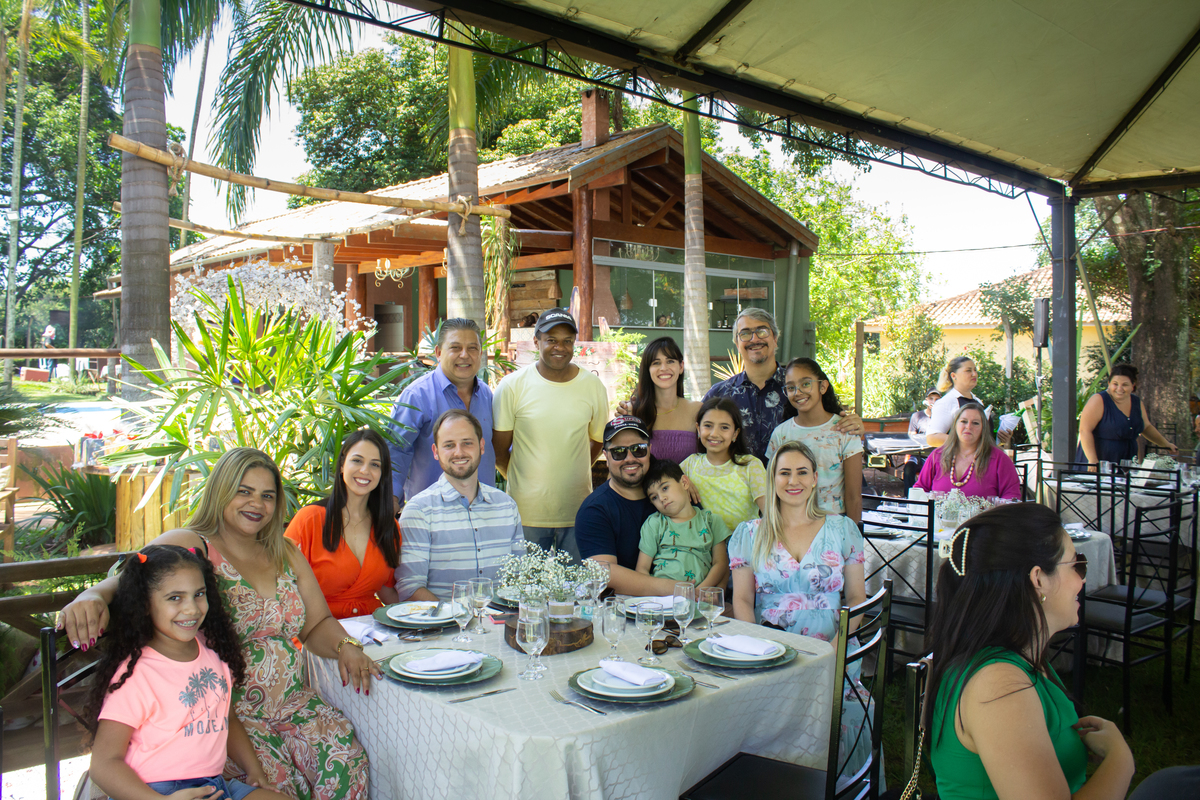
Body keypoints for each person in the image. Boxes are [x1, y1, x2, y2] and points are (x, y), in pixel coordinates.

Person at [59, 448, 375, 800]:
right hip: (223, 716)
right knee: (279, 785)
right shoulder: (191, 544)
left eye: (267, 495)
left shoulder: (285, 551)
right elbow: (133, 577)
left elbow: (316, 625)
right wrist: (93, 596)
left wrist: (346, 646)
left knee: (347, 761)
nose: (257, 503)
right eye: (244, 491)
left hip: (293, 703)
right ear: (221, 490)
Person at [924, 503, 1134, 798]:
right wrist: (1121, 759)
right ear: (1038, 579)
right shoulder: (998, 686)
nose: (1082, 579)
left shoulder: (1018, 660)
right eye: (1077, 565)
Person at [83, 544, 288, 800]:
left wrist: (254, 771)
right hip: (152, 792)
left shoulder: (213, 652)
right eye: (175, 598)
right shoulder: (136, 673)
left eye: (198, 594)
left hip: (213, 786)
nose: (192, 608)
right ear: (145, 604)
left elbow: (227, 719)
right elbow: (104, 764)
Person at [493, 308, 609, 559]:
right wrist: (524, 480)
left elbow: (598, 441)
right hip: (526, 514)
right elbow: (499, 451)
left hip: (577, 511)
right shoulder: (512, 386)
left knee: (577, 583)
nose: (560, 347)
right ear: (536, 342)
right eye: (551, 340)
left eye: (567, 341)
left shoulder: (593, 386)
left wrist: (573, 469)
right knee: (526, 584)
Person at [729, 440, 866, 639]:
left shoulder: (842, 529)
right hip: (770, 644)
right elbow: (742, 600)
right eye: (784, 473)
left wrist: (836, 648)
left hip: (833, 643)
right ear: (772, 479)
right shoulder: (750, 534)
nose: (793, 481)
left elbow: (857, 598)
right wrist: (755, 645)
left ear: (814, 478)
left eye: (802, 472)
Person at [703, 308, 864, 462]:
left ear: (775, 338)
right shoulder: (719, 394)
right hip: (735, 482)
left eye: (762, 331)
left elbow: (832, 423)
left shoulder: (801, 389)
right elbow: (698, 434)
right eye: (745, 333)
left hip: (795, 480)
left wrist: (853, 424)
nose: (754, 339)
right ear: (737, 344)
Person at [397, 409, 522, 601]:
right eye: (449, 445)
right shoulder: (418, 511)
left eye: (467, 443)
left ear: (481, 446)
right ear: (436, 452)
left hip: (502, 618)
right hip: (443, 620)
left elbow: (519, 578)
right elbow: (410, 588)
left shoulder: (507, 507)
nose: (459, 452)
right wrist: (457, 615)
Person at [285, 429, 401, 618]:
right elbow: (282, 588)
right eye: (357, 461)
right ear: (341, 465)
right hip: (318, 627)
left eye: (375, 464)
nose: (365, 470)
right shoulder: (309, 519)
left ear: (382, 473)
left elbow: (387, 591)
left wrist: (422, 618)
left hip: (373, 627)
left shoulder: (389, 526)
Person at [388, 318, 495, 507]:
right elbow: (396, 451)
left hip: (483, 511)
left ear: (480, 353)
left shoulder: (486, 394)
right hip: (430, 512)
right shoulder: (417, 396)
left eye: (472, 348)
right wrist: (392, 500)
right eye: (455, 348)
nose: (464, 355)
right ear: (438, 352)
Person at [576, 416, 681, 595]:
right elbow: (605, 573)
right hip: (624, 606)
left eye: (638, 449)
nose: (630, 459)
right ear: (606, 456)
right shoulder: (594, 510)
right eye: (619, 452)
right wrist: (676, 589)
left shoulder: (671, 492)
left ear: (649, 450)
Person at [766, 357, 863, 524]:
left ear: (822, 386)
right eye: (791, 387)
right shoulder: (781, 434)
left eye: (805, 384)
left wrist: (852, 535)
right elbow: (773, 489)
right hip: (791, 526)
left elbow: (853, 496)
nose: (798, 392)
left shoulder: (845, 430)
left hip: (834, 526)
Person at [636, 459, 730, 586]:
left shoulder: (712, 521)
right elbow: (642, 569)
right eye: (654, 497)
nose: (662, 498)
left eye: (665, 488)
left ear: (685, 483)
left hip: (702, 593)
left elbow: (720, 563)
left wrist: (699, 592)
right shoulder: (654, 523)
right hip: (662, 595)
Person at [681, 397, 768, 534]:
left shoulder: (750, 465)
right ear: (698, 429)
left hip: (743, 543)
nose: (714, 434)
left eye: (724, 427)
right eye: (708, 425)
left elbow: (769, 512)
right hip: (701, 543)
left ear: (735, 434)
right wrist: (680, 477)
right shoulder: (690, 464)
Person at [1077, 363, 1177, 468]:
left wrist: (1166, 444)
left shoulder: (1136, 402)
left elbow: (1146, 427)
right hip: (1099, 461)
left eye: (1124, 385)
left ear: (1133, 385)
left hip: (1127, 462)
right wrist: (1092, 460)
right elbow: (1084, 430)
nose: (1119, 389)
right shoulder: (1098, 400)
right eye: (1115, 384)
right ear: (1109, 383)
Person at [916, 403, 1021, 499]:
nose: (968, 427)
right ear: (955, 425)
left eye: (975, 423)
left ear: (983, 428)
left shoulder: (999, 459)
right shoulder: (937, 456)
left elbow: (1012, 496)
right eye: (964, 421)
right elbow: (919, 490)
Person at [630, 336, 702, 463]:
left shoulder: (698, 410)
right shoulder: (635, 412)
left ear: (681, 367)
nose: (663, 368)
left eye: (670, 361)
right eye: (656, 363)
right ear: (648, 370)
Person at [927, 355, 987, 447]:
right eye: (968, 370)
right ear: (954, 376)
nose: (974, 374)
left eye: (975, 370)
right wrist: (966, 443)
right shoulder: (947, 402)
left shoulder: (978, 401)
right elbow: (932, 438)